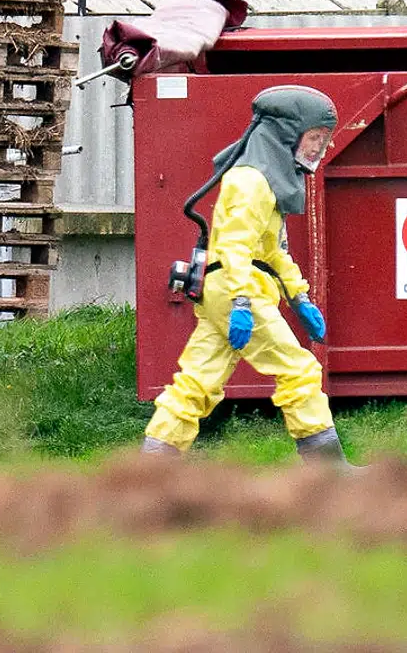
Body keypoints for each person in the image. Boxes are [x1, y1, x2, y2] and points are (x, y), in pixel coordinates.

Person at [140, 85, 361, 471]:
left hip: (223, 287)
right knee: (299, 370)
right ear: (287, 133)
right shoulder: (252, 182)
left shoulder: (265, 179)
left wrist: (299, 296)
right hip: (235, 288)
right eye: (314, 138)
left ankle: (149, 470)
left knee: (197, 381)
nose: (318, 149)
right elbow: (235, 248)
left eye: (323, 140)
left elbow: (273, 250)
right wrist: (242, 302)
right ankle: (329, 473)